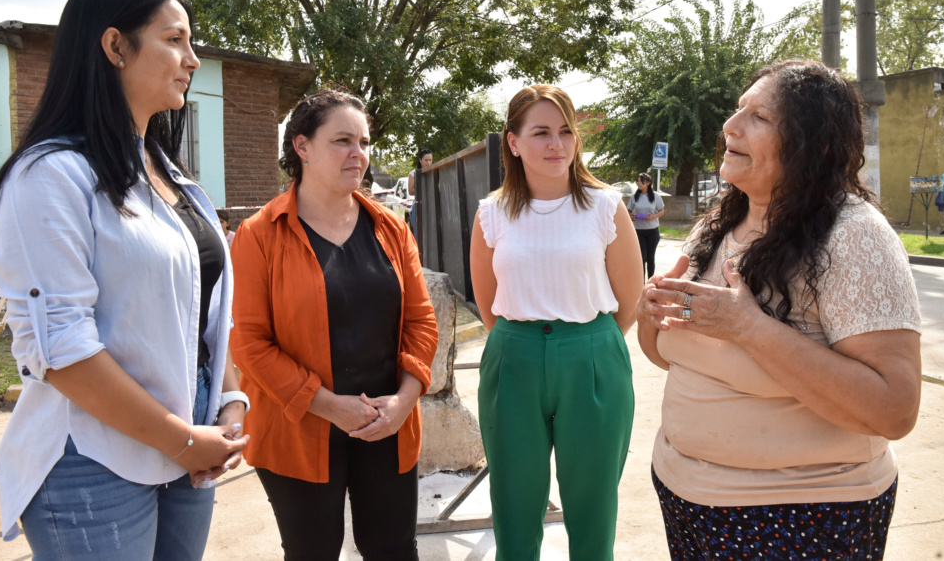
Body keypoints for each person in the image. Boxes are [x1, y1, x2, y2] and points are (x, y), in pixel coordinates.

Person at [0, 0, 249, 559]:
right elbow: (64, 350)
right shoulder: (50, 177)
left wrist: (229, 402)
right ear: (115, 46)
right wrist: (182, 441)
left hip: (190, 442)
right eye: (175, 40)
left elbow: (202, 308)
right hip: (93, 461)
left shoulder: (171, 178)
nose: (192, 59)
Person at [638, 60, 922, 560]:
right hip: (687, 500)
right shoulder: (720, 222)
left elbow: (894, 409)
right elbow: (669, 357)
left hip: (800, 518)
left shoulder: (856, 236)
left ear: (818, 146)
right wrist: (651, 312)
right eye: (737, 110)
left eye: (760, 117)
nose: (730, 125)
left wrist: (749, 328)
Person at [229, 89, 439, 560]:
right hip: (297, 429)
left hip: (387, 424)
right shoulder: (260, 234)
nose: (358, 154)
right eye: (343, 140)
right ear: (301, 146)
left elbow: (421, 322)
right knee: (312, 553)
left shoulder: (391, 228)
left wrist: (404, 401)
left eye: (364, 142)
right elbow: (249, 343)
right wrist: (327, 406)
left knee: (393, 550)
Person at [470, 85, 641, 560]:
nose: (556, 144)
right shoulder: (492, 213)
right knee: (515, 506)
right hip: (514, 359)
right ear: (513, 142)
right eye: (541, 132)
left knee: (593, 507)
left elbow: (629, 298)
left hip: (592, 357)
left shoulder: (605, 206)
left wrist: (584, 345)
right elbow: (489, 305)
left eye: (566, 131)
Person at [627, 172, 666, 279]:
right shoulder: (634, 197)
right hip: (639, 231)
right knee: (642, 258)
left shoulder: (655, 196)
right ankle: (641, 283)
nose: (638, 183)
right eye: (638, 181)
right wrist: (631, 216)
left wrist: (653, 217)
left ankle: (651, 281)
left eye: (640, 181)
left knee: (650, 258)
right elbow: (628, 211)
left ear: (647, 183)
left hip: (653, 231)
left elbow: (662, 211)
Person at [408, 148, 432, 234]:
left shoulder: (433, 172)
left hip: (432, 205)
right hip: (419, 205)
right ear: (420, 160)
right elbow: (411, 191)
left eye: (430, 160)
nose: (428, 163)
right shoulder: (413, 173)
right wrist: (425, 188)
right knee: (418, 232)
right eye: (426, 160)